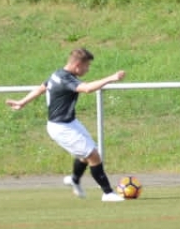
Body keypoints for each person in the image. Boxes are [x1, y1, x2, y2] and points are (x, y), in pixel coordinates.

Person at [7, 47, 128, 200]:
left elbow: (42, 88)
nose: (88, 69)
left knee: (86, 154)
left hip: (70, 123)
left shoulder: (57, 74)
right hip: (61, 127)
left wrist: (22, 102)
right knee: (93, 155)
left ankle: (74, 179)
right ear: (77, 65)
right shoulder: (66, 79)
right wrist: (111, 78)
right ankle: (108, 193)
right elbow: (87, 89)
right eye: (87, 66)